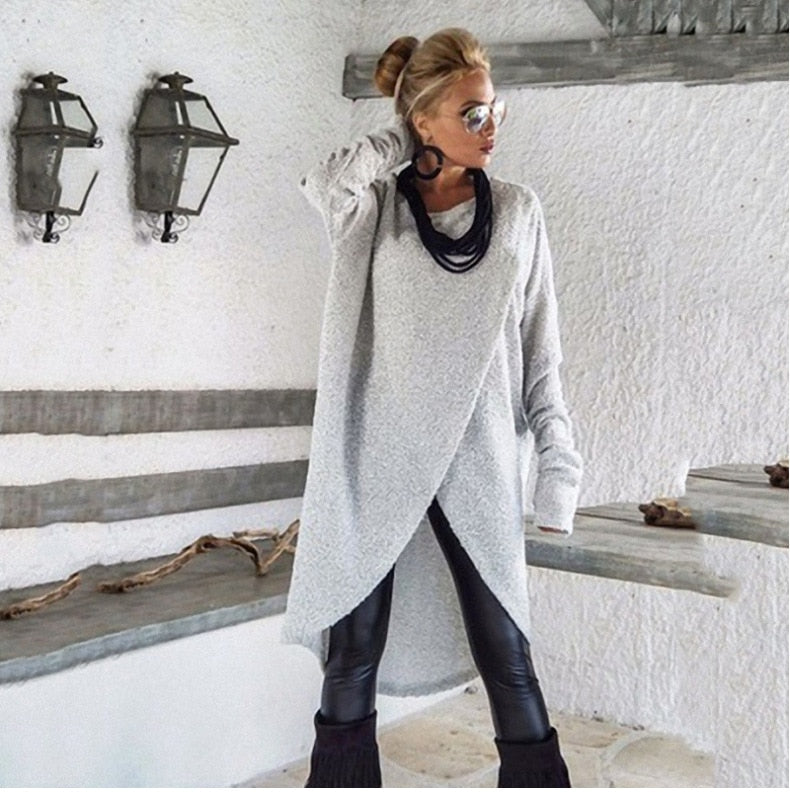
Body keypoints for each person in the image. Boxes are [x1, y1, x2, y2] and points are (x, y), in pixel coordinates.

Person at [280, 27, 583, 788]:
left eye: (494, 110)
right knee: (351, 659)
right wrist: (403, 137)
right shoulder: (376, 208)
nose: (491, 127)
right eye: (471, 114)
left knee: (508, 658)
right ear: (423, 120)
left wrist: (559, 468)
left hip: (477, 461)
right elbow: (324, 181)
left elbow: (541, 354)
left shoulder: (518, 211)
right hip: (375, 461)